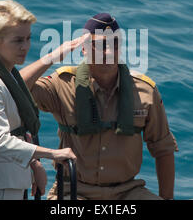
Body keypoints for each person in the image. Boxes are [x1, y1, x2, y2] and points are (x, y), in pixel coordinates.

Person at [20, 13, 178, 200]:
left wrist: (166, 199)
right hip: (75, 190)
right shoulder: (63, 84)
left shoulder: (144, 90)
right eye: (101, 45)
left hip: (127, 192)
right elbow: (14, 87)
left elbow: (163, 148)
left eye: (115, 44)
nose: (109, 51)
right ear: (84, 49)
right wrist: (52, 57)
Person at [0, 0, 77, 200]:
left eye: (28, 39)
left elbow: (14, 131)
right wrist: (52, 154)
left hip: (10, 181)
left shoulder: (6, 75)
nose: (25, 46)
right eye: (17, 40)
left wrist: (34, 165)